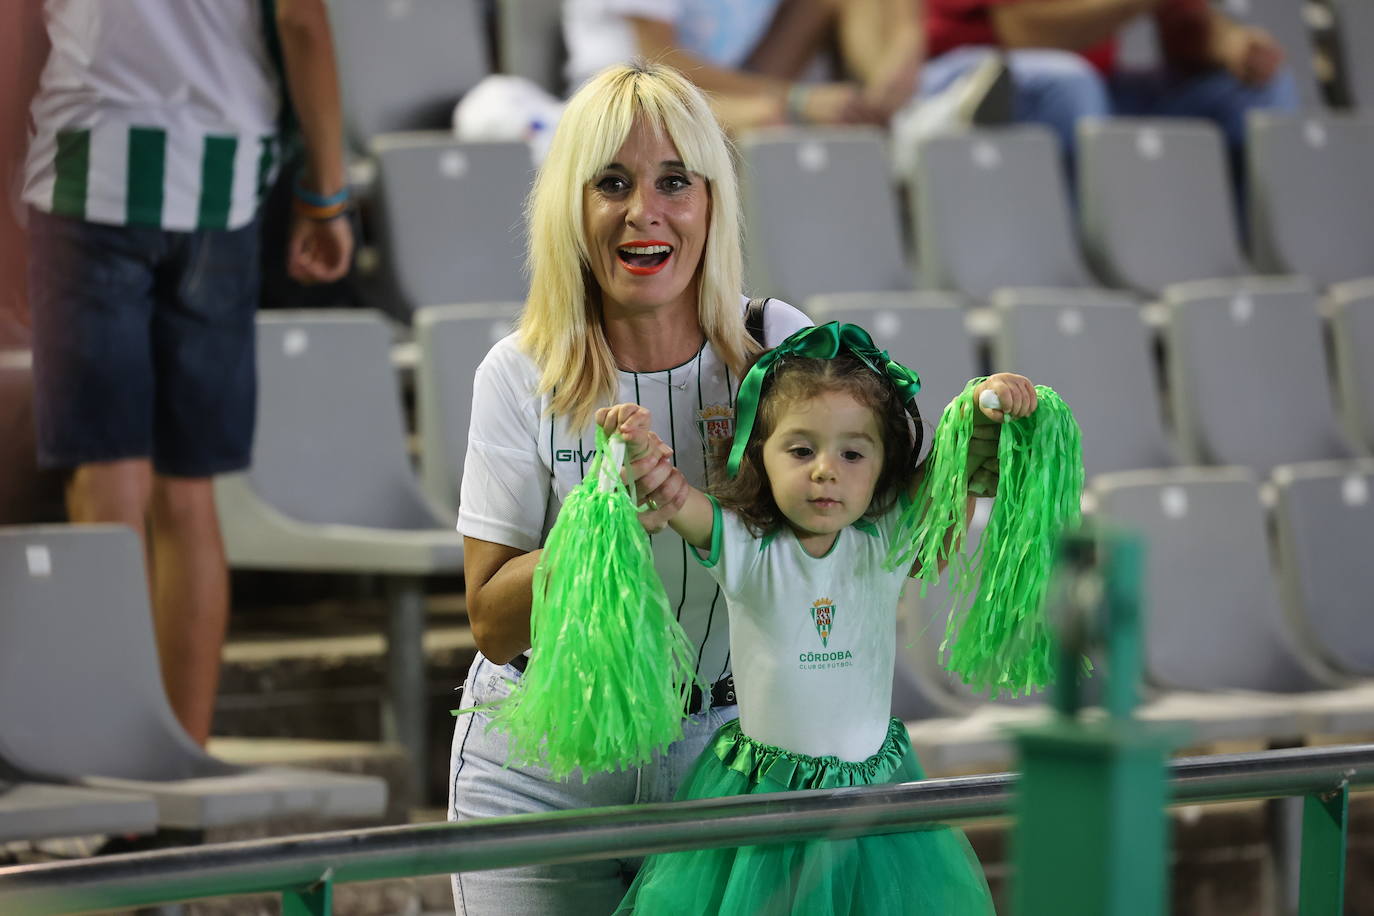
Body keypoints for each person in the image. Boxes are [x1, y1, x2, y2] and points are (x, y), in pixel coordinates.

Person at [448, 61, 811, 916]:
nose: (644, 210)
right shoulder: (518, 371)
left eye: (674, 182)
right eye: (611, 183)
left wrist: (973, 453)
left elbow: (857, 527)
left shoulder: (779, 346)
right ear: (571, 209)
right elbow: (492, 623)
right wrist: (601, 527)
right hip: (541, 766)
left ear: (712, 202)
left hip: (732, 756)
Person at [599, 323, 1034, 914]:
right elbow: (671, 495)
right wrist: (638, 454)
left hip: (875, 799)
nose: (826, 470)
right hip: (765, 805)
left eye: (852, 453)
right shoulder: (744, 547)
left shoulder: (886, 541)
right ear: (759, 453)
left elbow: (958, 464)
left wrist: (987, 406)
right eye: (801, 450)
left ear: (883, 465)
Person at [21, 0, 353, 745]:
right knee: (188, 491)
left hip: (87, 161)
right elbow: (302, 22)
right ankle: (182, 760)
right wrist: (326, 193)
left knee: (107, 475)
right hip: (220, 182)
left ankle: (109, 754)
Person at [922, 0, 1300, 166]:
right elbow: (1020, 32)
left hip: (1095, 90)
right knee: (1071, 84)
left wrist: (1229, 46)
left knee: (1259, 90)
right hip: (969, 76)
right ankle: (1084, 263)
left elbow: (1184, 27)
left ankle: (1256, 262)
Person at [562, 0, 929, 132]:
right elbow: (658, 62)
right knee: (765, 121)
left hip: (731, 83)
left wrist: (908, 35)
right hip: (632, 96)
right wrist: (798, 99)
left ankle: (896, 117)